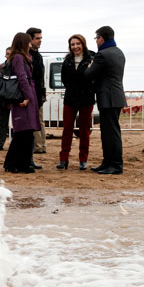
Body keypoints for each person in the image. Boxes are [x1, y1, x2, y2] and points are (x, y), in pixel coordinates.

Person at [84, 26, 127, 175]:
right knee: (110, 132)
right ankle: (108, 162)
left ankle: (114, 165)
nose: (96, 41)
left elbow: (89, 74)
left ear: (101, 38)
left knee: (110, 133)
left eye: (96, 38)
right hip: (115, 96)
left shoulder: (102, 54)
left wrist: (90, 65)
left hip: (108, 97)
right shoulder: (118, 52)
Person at [57, 35, 95, 170]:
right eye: (72, 44)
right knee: (67, 129)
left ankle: (83, 160)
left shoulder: (92, 58)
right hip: (70, 98)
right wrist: (74, 88)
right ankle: (63, 159)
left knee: (84, 131)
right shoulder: (67, 61)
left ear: (83, 44)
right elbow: (64, 79)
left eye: (77, 44)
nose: (75, 47)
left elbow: (94, 77)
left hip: (86, 99)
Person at [3, 33, 40, 173]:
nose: (31, 45)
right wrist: (28, 97)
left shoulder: (20, 57)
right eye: (29, 43)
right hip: (23, 97)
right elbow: (21, 78)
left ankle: (16, 163)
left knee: (25, 132)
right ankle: (18, 163)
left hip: (26, 95)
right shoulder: (19, 58)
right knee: (24, 132)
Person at [26, 27, 46, 155]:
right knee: (34, 120)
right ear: (30, 39)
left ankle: (40, 146)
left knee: (39, 120)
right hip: (31, 93)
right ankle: (38, 146)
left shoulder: (38, 56)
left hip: (38, 94)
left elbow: (40, 77)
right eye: (37, 38)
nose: (40, 40)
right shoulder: (27, 56)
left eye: (41, 38)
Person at [0, 47, 12, 151]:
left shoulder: (19, 67)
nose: (9, 55)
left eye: (11, 53)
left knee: (19, 123)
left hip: (16, 99)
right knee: (2, 123)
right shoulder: (0, 67)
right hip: (3, 99)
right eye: (8, 53)